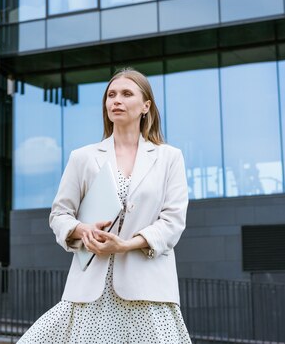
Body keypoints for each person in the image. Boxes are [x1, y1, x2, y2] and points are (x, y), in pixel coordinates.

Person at [18, 68, 192, 344]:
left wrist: (125, 245)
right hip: (90, 291)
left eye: (126, 94)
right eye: (111, 95)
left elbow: (172, 222)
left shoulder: (169, 158)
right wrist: (81, 229)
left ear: (146, 106)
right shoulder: (83, 157)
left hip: (148, 292)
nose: (116, 100)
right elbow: (59, 214)